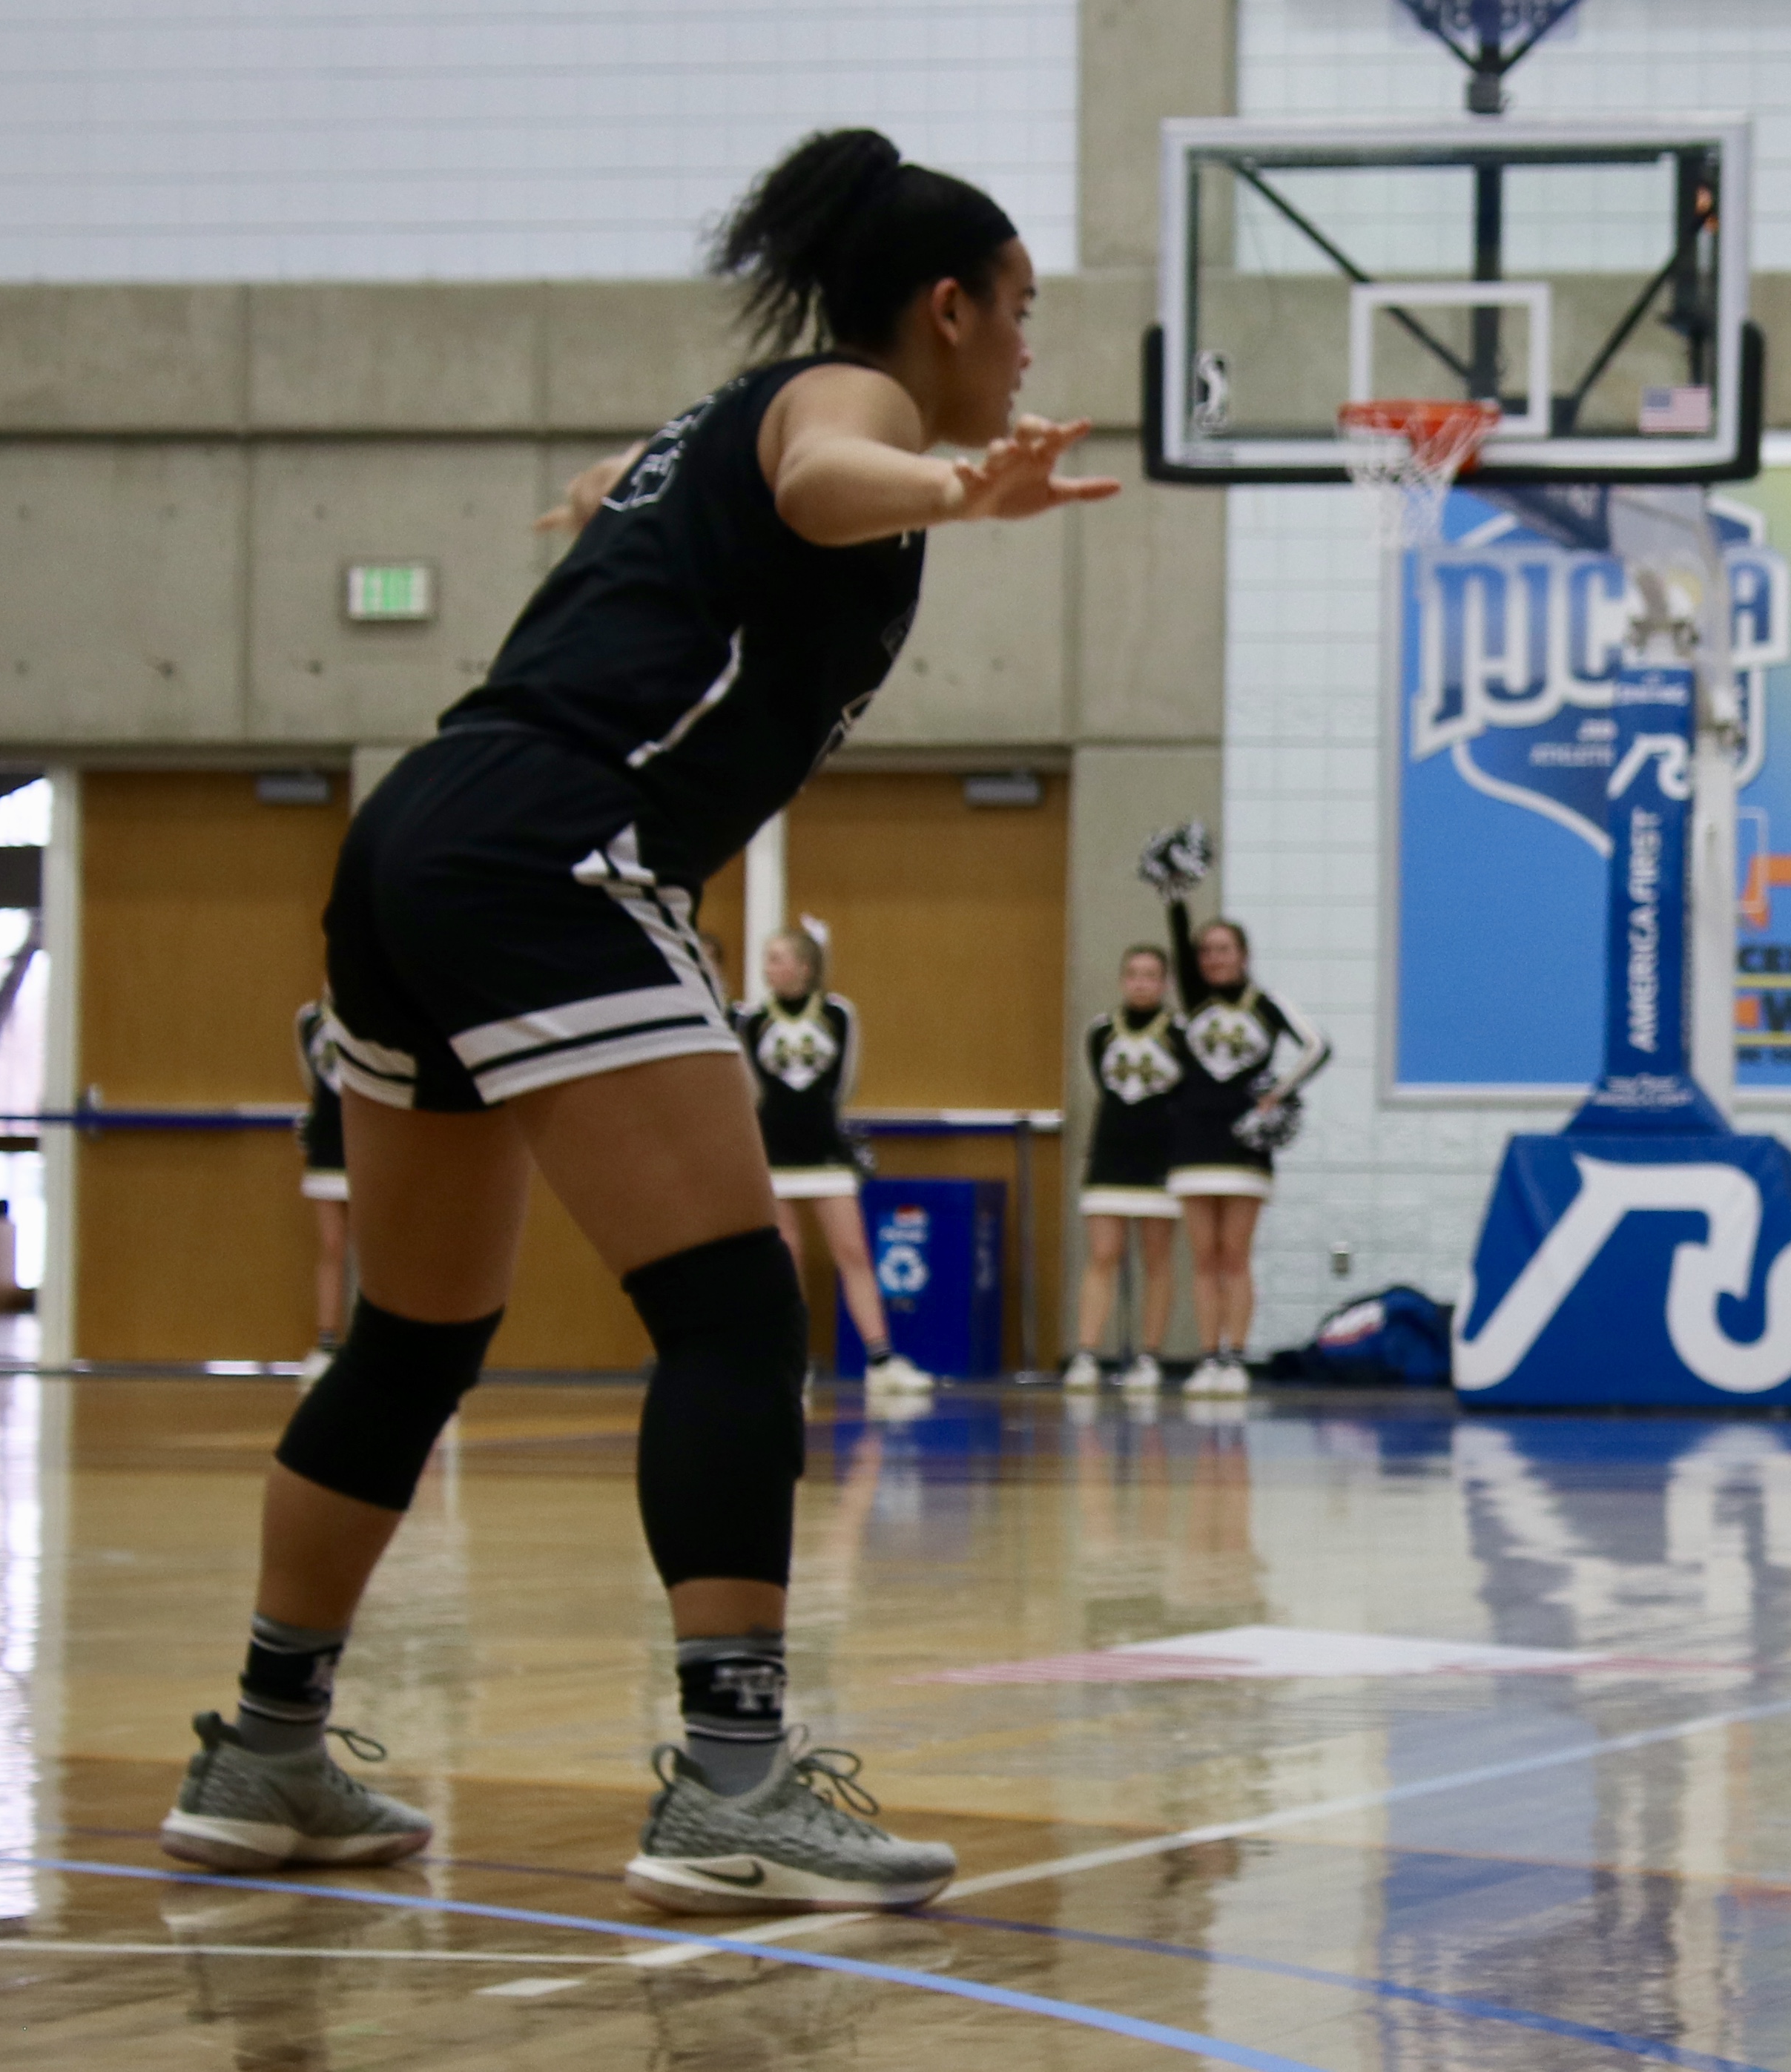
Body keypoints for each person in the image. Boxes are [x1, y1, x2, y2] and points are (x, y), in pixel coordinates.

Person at [156, 126, 1115, 1913]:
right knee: (736, 1308)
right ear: (946, 306)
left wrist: (627, 485)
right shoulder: (855, 408)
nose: (1022, 350)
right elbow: (834, 475)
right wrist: (954, 490)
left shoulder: (729, 409)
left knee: (414, 1335)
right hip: (555, 856)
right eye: (1018, 314)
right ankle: (733, 1784)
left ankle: (268, 1746)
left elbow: (697, 491)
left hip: (420, 835)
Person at [736, 925, 929, 1397]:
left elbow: (845, 1081)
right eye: (767, 959)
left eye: (779, 958)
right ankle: (793, 1362)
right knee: (788, 1257)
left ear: (804, 967)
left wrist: (819, 1119)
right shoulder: (751, 1019)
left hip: (825, 1152)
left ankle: (881, 1361)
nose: (770, 968)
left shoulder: (840, 1013)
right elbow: (750, 1086)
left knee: (854, 1252)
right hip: (775, 1153)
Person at [1164, 900, 1329, 1396]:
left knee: (1234, 1255)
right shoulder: (1194, 1002)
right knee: (1203, 1258)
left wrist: (1277, 1094)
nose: (1214, 958)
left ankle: (1235, 1356)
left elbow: (1317, 1046)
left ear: (1244, 954)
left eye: (1224, 949)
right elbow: (1176, 938)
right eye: (1206, 951)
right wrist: (1176, 897)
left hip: (1243, 1141)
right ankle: (1208, 1357)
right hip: (1193, 1139)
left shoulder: (1265, 1002)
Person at [1066, 943, 1182, 1395]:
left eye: (1151, 975)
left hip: (1160, 1158)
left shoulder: (1181, 1032)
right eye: (1133, 974)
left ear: (1165, 983)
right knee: (1103, 1255)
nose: (1141, 982)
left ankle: (1149, 1357)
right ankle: (1087, 1355)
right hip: (1110, 1153)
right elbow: (1104, 1084)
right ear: (1121, 980)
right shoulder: (1100, 1032)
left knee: (1157, 1260)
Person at [293, 1002, 350, 1388]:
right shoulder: (309, 1021)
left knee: (377, 1252)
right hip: (329, 1145)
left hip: (374, 1144)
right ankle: (326, 1344)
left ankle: (375, 1345)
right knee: (332, 1245)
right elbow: (310, 1079)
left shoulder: (381, 1009)